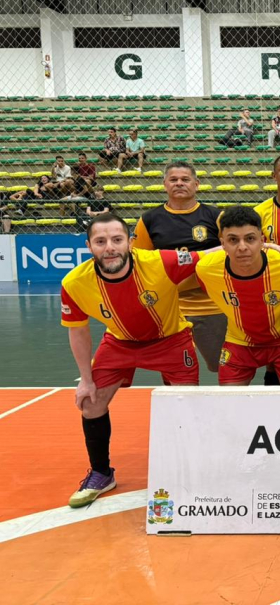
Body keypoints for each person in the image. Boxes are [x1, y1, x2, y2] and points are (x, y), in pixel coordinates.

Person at [61, 213, 206, 507]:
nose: (109, 248)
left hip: (171, 340)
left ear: (129, 242)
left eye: (117, 240)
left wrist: (260, 246)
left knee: (186, 405)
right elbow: (78, 332)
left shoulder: (159, 262)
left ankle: (186, 470)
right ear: (89, 246)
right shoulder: (74, 283)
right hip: (120, 342)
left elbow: (210, 255)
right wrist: (85, 381)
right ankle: (101, 473)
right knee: (90, 402)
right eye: (100, 241)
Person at [132, 161, 226, 373]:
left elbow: (230, 253)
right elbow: (139, 262)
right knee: (175, 371)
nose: (179, 183)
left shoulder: (215, 216)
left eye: (185, 179)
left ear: (196, 184)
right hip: (169, 308)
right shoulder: (149, 220)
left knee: (223, 368)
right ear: (165, 184)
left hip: (211, 306)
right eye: (173, 180)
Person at [196, 207, 280, 385]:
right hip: (239, 342)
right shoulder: (206, 269)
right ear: (222, 243)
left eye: (250, 239)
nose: (242, 247)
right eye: (233, 240)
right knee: (228, 400)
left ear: (262, 240)